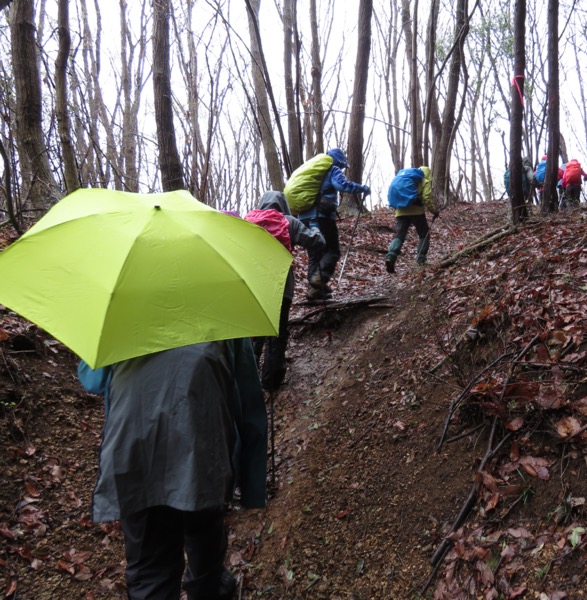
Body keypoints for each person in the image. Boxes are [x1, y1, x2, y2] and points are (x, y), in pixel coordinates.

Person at [78, 339, 266, 600]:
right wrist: (253, 489)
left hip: (135, 456)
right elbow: (248, 402)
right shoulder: (225, 315)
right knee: (205, 537)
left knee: (150, 568)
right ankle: (208, 587)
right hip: (204, 454)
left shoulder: (121, 316)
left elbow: (92, 380)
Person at [247, 191, 325, 391]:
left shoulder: (248, 221)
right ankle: (271, 382)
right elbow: (318, 242)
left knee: (254, 331)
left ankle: (248, 380)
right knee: (278, 333)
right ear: (283, 204)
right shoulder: (288, 222)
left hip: (252, 286)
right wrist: (315, 227)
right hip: (281, 286)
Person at [295, 148, 370, 301]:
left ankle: (314, 291)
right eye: (342, 165)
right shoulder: (332, 169)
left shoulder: (313, 172)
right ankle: (319, 281)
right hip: (321, 217)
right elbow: (342, 185)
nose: (342, 169)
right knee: (333, 251)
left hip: (304, 217)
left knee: (315, 253)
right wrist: (363, 188)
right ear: (338, 161)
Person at [385, 166, 438, 273]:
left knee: (399, 235)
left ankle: (390, 256)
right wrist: (434, 211)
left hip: (400, 211)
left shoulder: (407, 177)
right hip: (416, 212)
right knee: (424, 233)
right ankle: (421, 259)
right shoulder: (424, 180)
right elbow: (427, 198)